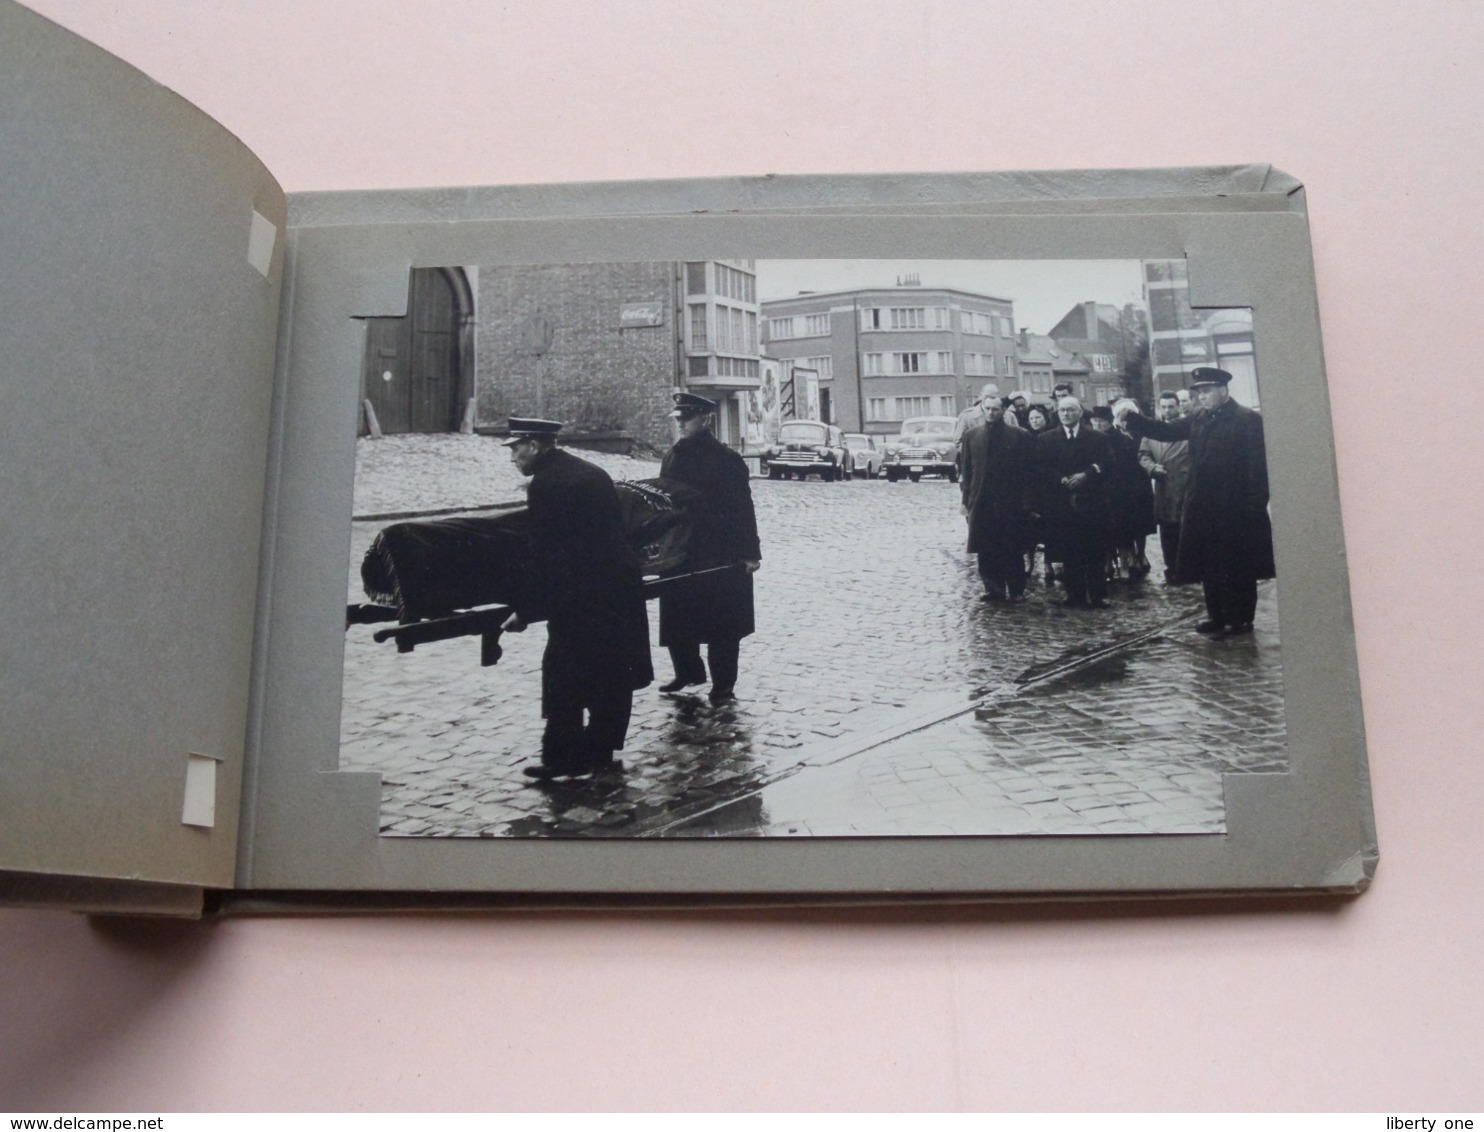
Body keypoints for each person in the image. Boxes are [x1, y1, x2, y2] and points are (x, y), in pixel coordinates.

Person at [501, 418, 653, 779]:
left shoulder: (547, 484)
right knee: (610, 672)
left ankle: (562, 758)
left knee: (563, 674)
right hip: (617, 588)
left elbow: (544, 555)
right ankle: (600, 751)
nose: (513, 457)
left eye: (516, 448)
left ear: (535, 446)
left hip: (581, 596)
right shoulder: (589, 470)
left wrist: (524, 610)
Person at [1118, 367, 1275, 635]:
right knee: (1209, 565)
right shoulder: (1198, 418)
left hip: (1236, 509)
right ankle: (1216, 615)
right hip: (1204, 507)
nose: (1201, 397)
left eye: (1206, 391)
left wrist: (1254, 505)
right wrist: (1134, 419)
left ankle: (1240, 618)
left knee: (1239, 566)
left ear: (1223, 390)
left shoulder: (1247, 419)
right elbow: (1166, 431)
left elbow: (1258, 467)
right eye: (1198, 392)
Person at [657, 392, 762, 703]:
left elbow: (743, 508)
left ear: (705, 419)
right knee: (678, 615)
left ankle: (723, 684)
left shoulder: (726, 459)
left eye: (687, 418)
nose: (681, 424)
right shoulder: (672, 456)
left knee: (723, 622)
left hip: (720, 550)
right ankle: (688, 671)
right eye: (678, 419)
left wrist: (750, 552)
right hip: (681, 549)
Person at [1036, 396, 1113, 608]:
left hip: (1090, 500)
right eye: (1062, 410)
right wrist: (1060, 478)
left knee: (1094, 549)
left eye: (1070, 410)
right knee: (1069, 550)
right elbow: (1041, 467)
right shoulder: (1046, 439)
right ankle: (1074, 594)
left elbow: (1106, 463)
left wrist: (1086, 475)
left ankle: (1098, 594)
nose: (1066, 414)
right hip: (1062, 502)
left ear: (1079, 412)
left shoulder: (1096, 438)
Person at [959, 395, 1034, 602]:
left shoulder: (1020, 436)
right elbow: (967, 470)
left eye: (996, 409)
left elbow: (1028, 472)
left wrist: (1027, 501)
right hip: (982, 500)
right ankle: (993, 589)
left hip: (1011, 501)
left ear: (1003, 412)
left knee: (1012, 546)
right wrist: (966, 500)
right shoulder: (972, 435)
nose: (992, 413)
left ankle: (1016, 590)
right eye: (988, 409)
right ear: (983, 410)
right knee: (986, 547)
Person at [1137, 391, 1194, 583]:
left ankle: (1188, 570)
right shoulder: (1153, 431)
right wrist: (1152, 468)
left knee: (1186, 528)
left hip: (1185, 486)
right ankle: (1171, 569)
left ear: (1178, 406)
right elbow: (1143, 455)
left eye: (1171, 406)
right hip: (1163, 486)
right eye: (1164, 407)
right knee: (1167, 530)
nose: (1168, 411)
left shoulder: (1188, 429)